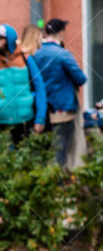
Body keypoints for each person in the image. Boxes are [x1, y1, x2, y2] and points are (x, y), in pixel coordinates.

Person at [0, 23, 46, 149]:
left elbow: (39, 86)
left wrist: (40, 118)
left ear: (9, 40)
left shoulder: (26, 59)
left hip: (24, 120)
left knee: (25, 161)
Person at [34, 18, 88, 168]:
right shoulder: (63, 54)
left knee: (44, 153)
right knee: (61, 153)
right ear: (61, 33)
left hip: (43, 113)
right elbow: (81, 78)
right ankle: (59, 188)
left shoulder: (36, 54)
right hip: (63, 111)